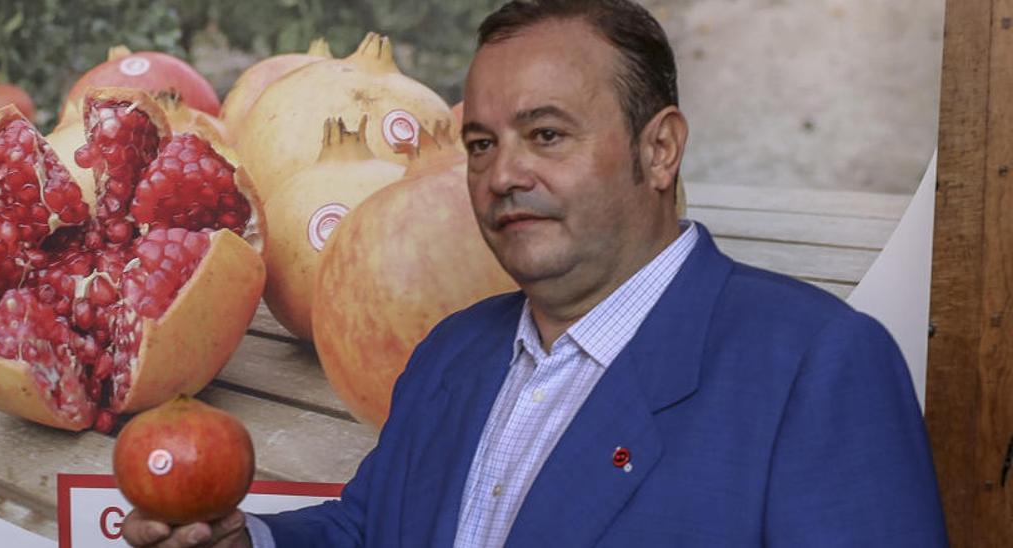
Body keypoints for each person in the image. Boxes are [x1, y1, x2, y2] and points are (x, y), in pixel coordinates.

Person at [122, 1, 948, 546]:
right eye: (480, 143)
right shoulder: (454, 353)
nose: (502, 174)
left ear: (659, 149)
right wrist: (251, 542)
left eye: (546, 135)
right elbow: (375, 530)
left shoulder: (817, 365)